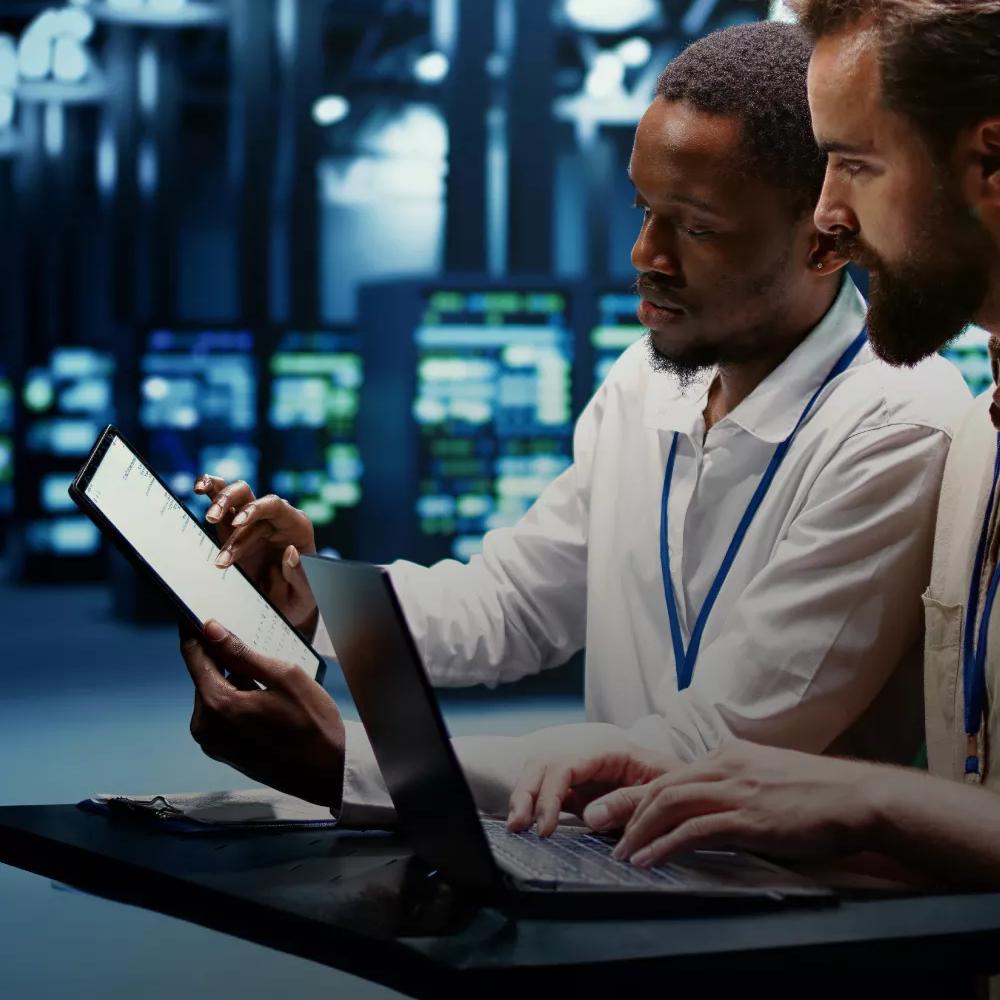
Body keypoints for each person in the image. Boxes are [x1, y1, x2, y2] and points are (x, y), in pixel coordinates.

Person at [179, 21, 969, 827]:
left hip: (779, 919)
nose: (645, 254)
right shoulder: (644, 384)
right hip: (609, 874)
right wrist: (311, 594)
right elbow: (509, 606)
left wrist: (354, 762)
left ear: (825, 242)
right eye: (644, 209)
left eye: (695, 226)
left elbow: (702, 751)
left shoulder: (896, 429)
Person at [546, 0, 1000, 887]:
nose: (827, 217)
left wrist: (873, 802)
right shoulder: (982, 449)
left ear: (992, 159)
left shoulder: (913, 419)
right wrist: (829, 813)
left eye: (856, 165)